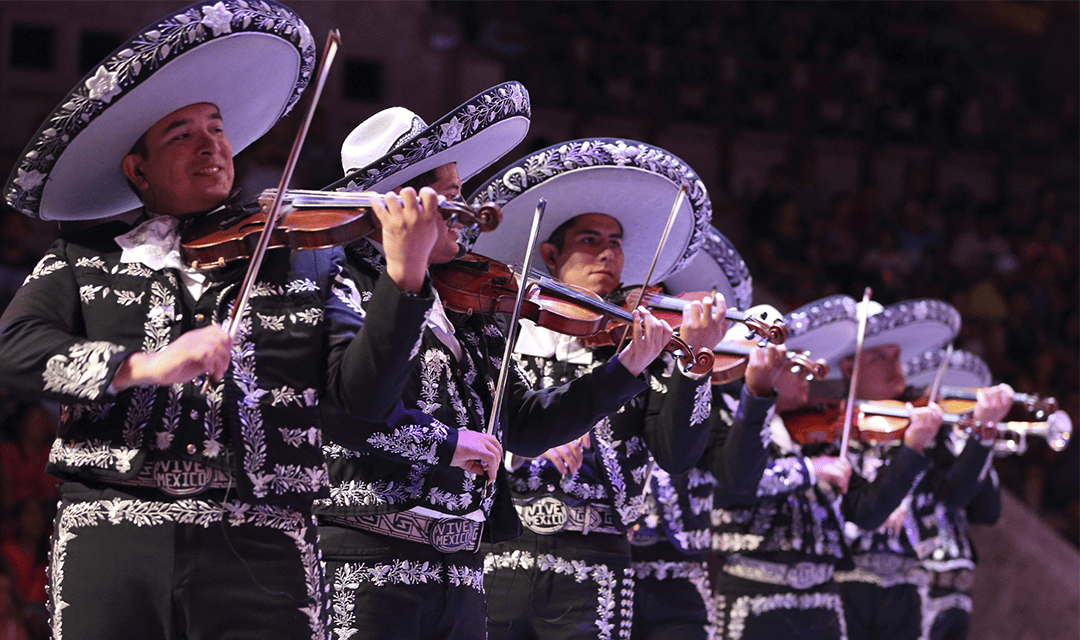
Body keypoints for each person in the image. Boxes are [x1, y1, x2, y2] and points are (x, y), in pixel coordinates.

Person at [0, 2, 443, 638]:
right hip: (114, 527)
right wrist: (142, 367)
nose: (212, 145)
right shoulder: (83, 258)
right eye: (181, 135)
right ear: (137, 168)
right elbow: (14, 350)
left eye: (216, 128)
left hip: (264, 541)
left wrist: (404, 282)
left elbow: (363, 403)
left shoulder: (306, 259)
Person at [315, 88, 704, 640]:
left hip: (464, 564)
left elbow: (526, 425)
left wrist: (628, 368)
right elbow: (358, 407)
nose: (467, 211)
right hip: (365, 558)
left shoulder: (466, 302)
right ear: (401, 205)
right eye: (449, 195)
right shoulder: (340, 281)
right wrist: (403, 281)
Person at [468, 138, 728, 640]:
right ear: (549, 254)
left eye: (616, 242)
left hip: (596, 559)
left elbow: (677, 453)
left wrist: (693, 366)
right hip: (497, 549)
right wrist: (527, 447)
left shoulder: (640, 345)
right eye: (590, 240)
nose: (608, 252)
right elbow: (460, 422)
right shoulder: (498, 332)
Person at [710, 295, 945, 640]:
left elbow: (865, 511)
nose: (809, 371)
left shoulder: (817, 437)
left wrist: (912, 448)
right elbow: (733, 484)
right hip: (755, 592)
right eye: (794, 363)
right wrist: (809, 470)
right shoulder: (729, 420)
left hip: (824, 597)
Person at [626, 227, 784, 640]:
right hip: (606, 560)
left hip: (683, 573)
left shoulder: (715, 384)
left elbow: (738, 476)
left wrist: (757, 393)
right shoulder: (610, 361)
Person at [830, 301, 1012, 640]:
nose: (894, 366)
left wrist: (980, 437)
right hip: (842, 588)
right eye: (878, 357)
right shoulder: (827, 425)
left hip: (906, 589)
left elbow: (962, 498)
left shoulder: (924, 427)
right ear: (848, 365)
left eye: (895, 355)